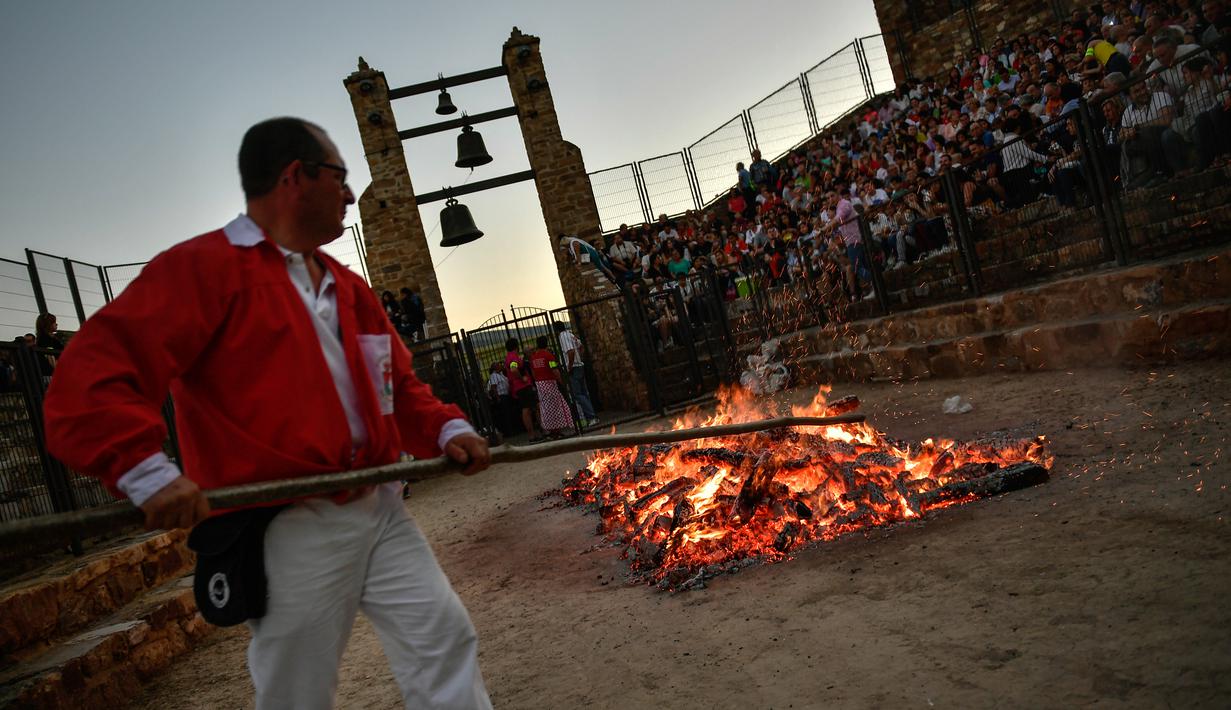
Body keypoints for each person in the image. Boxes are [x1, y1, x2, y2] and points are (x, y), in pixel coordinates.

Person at [42, 117, 493, 709]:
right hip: (287, 522)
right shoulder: (202, 269)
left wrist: (446, 428)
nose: (351, 193)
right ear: (294, 178)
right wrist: (142, 469)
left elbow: (396, 389)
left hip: (381, 504)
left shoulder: (348, 288)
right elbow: (91, 374)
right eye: (339, 176)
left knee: (444, 642)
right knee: (297, 694)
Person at [528, 335, 573, 439]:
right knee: (556, 406)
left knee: (546, 408)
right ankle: (557, 430)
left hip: (540, 385)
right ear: (546, 343)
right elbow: (554, 370)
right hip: (550, 383)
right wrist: (561, 381)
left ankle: (551, 430)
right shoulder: (548, 356)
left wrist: (537, 382)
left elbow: (533, 372)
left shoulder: (533, 358)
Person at [554, 321, 597, 428]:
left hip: (573, 368)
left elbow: (571, 352)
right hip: (579, 366)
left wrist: (569, 366)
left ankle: (591, 417)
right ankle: (592, 416)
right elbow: (580, 346)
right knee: (584, 393)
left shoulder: (563, 337)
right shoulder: (570, 334)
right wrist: (580, 358)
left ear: (556, 330)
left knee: (578, 394)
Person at [504, 336, 541, 442]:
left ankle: (534, 434)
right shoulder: (513, 357)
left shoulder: (510, 357)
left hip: (520, 387)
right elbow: (513, 369)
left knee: (530, 409)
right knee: (529, 409)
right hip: (523, 387)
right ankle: (533, 435)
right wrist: (523, 378)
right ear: (516, 346)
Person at [34, 312, 64, 379]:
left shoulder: (50, 339)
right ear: (48, 324)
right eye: (54, 322)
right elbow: (51, 359)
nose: (56, 324)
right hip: (51, 375)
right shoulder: (45, 339)